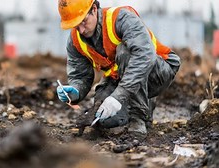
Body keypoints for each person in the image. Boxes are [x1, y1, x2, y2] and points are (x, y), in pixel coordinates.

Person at [56, 0, 181, 138]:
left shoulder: (121, 18)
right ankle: (142, 104)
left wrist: (119, 95)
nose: (81, 30)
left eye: (83, 21)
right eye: (75, 25)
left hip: (158, 70)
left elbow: (144, 56)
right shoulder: (75, 41)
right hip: (120, 78)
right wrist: (76, 90)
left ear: (94, 9)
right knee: (103, 116)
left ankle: (138, 118)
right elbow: (80, 75)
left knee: (126, 52)